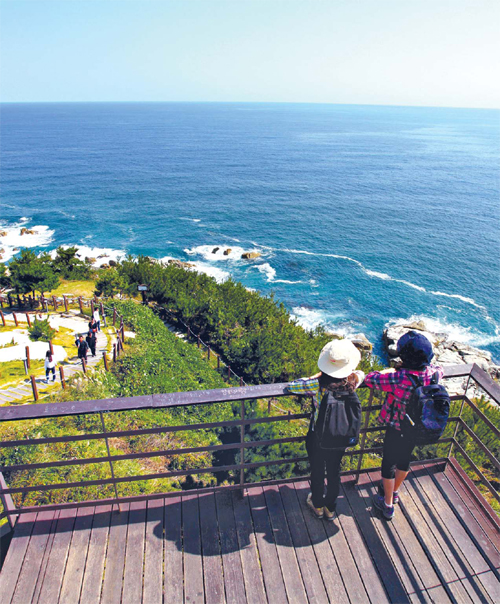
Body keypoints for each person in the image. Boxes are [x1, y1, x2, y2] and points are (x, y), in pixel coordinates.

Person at [364, 330, 444, 520]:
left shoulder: (399, 378)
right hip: (417, 427)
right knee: (404, 460)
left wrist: (388, 370)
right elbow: (440, 369)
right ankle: (395, 491)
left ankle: (387, 504)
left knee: (388, 464)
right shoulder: (434, 374)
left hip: (396, 427)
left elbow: (370, 379)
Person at [286, 339, 364, 520]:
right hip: (340, 436)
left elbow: (291, 386)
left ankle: (318, 505)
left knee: (318, 471)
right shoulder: (352, 381)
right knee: (334, 472)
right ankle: (330, 508)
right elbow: (362, 374)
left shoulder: (317, 384)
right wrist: (351, 372)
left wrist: (314, 376)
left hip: (318, 436)